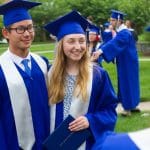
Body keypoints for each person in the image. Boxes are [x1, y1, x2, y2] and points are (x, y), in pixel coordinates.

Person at [44, 10, 118, 150]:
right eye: (71, 41)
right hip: (52, 143)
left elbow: (109, 110)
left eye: (81, 41)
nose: (77, 47)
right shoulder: (48, 74)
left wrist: (90, 120)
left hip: (84, 143)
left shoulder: (98, 75)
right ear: (61, 45)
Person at [0, 0, 50, 149]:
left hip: (46, 142)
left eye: (30, 27)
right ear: (6, 33)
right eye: (20, 29)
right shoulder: (1, 68)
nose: (27, 33)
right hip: (12, 144)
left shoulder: (42, 63)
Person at [92, 10, 140, 117]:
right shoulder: (122, 32)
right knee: (131, 83)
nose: (111, 22)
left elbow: (115, 43)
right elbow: (111, 43)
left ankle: (128, 108)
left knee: (127, 83)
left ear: (119, 20)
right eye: (110, 20)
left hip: (127, 63)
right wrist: (101, 49)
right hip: (128, 62)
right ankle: (133, 105)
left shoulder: (124, 33)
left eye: (113, 20)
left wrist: (100, 51)